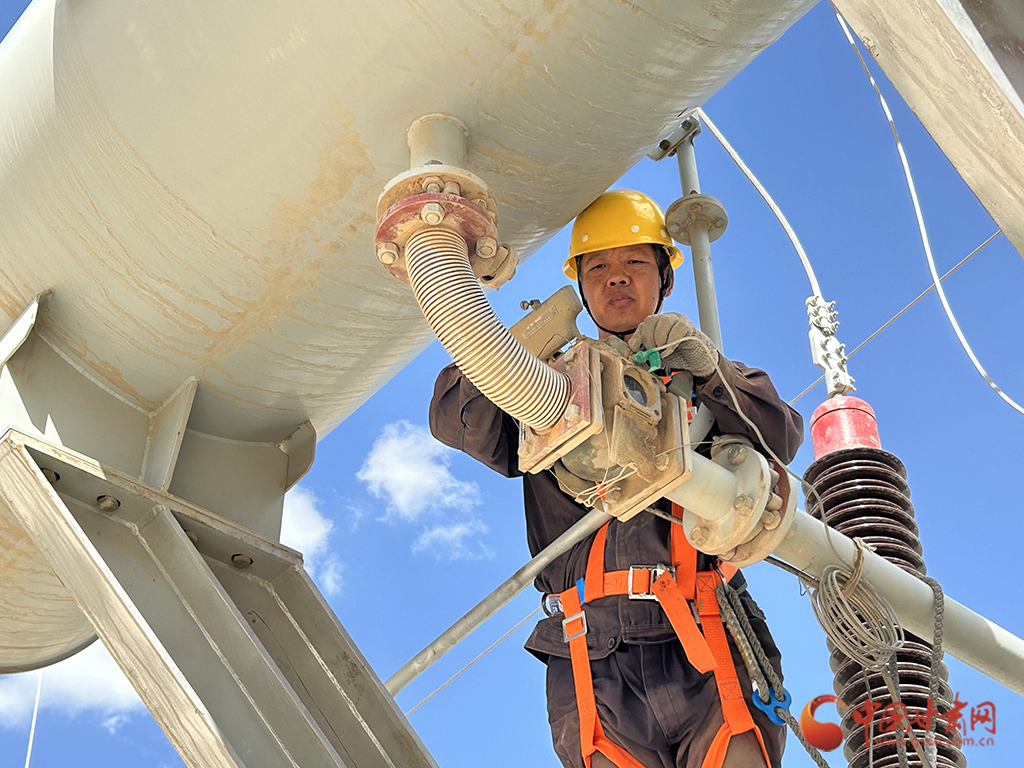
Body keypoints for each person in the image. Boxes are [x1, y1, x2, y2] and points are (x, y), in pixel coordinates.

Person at [429, 190, 804, 768]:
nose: (616, 279)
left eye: (634, 263)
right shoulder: (542, 382)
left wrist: (705, 367)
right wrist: (519, 347)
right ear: (579, 284)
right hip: (591, 650)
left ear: (664, 279)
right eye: (598, 266)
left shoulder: (705, 374)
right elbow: (455, 422)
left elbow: (778, 436)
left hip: (706, 634)